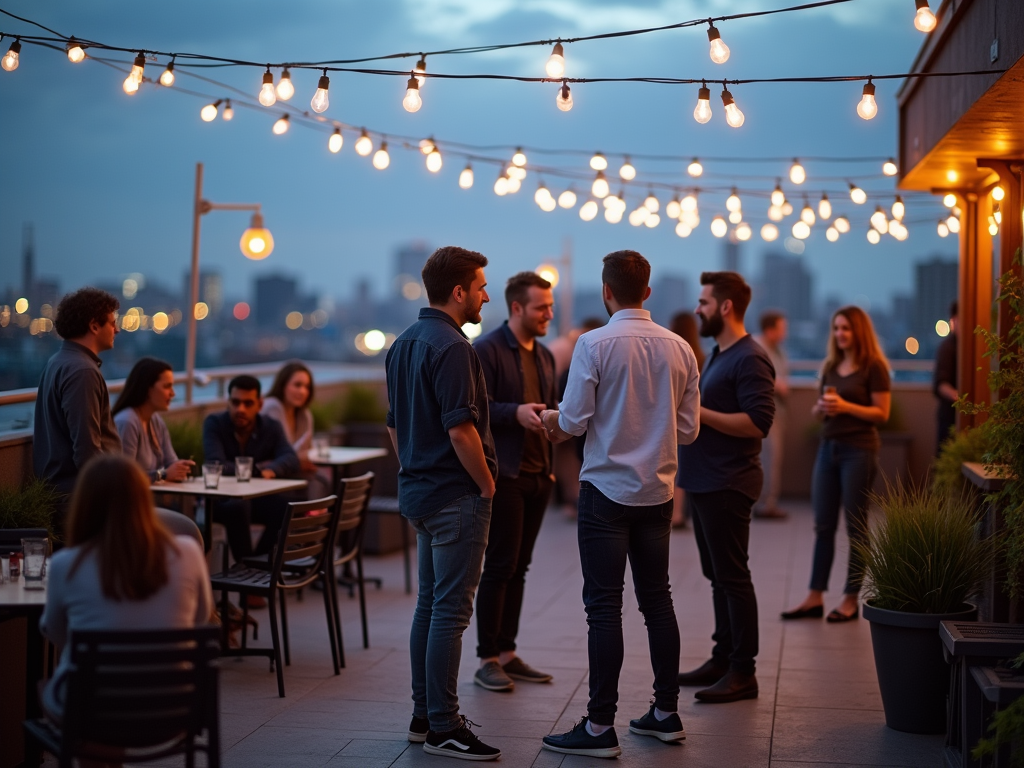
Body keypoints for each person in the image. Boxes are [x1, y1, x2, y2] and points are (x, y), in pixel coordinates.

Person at [539, 250, 701, 758]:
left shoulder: (592, 344)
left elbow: (573, 422)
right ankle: (666, 713)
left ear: (606, 291)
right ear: (647, 292)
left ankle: (598, 727)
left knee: (604, 608)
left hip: (605, 492)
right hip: (658, 493)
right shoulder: (681, 349)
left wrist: (550, 422)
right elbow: (689, 430)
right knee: (658, 602)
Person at [385, 246, 501, 761]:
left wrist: (414, 465)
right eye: (480, 287)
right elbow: (461, 430)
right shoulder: (454, 347)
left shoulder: (403, 342)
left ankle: (422, 715)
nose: (485, 295)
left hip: (420, 493)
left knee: (429, 608)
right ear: (458, 292)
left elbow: (394, 426)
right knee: (450, 614)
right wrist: (487, 485)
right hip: (456, 496)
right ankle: (444, 725)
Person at [39, 455, 213, 722]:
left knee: (70, 691)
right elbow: (200, 620)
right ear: (143, 500)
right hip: (172, 703)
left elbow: (57, 632)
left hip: (95, 705)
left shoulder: (65, 565)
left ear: (85, 504)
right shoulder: (188, 552)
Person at [677, 271, 775, 704]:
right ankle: (722, 658)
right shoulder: (721, 352)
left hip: (728, 481)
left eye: (704, 302)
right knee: (716, 575)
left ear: (726, 307)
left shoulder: (750, 357)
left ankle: (743, 672)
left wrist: (701, 412)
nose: (698, 309)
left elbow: (759, 423)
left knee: (733, 577)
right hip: (705, 480)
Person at [472, 272, 557, 693]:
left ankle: (507, 652)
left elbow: (551, 408)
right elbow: (474, 409)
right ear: (517, 308)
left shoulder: (544, 356)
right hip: (504, 474)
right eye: (542, 306)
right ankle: (487, 657)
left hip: (539, 475)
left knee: (519, 568)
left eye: (550, 305)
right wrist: (515, 413)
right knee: (500, 566)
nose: (549, 313)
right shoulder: (485, 350)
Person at [782, 306, 890, 623]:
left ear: (859, 331)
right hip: (828, 449)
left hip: (859, 450)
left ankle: (849, 598)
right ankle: (815, 596)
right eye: (836, 328)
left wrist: (845, 405)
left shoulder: (874, 367)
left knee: (856, 527)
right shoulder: (830, 366)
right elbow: (820, 413)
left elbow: (881, 414)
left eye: (846, 328)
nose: (840, 334)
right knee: (822, 526)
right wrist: (820, 409)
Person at [33, 288, 122, 506]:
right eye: (112, 323)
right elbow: (87, 451)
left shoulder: (58, 361)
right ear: (94, 325)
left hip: (66, 494)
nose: (117, 330)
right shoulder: (82, 371)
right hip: (83, 500)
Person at [202, 375, 300, 561]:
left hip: (254, 499)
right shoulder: (215, 423)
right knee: (238, 506)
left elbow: (290, 458)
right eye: (235, 402)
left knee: (288, 509)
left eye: (248, 403)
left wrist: (270, 469)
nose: (241, 409)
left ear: (260, 404)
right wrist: (257, 470)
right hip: (222, 501)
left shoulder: (270, 427)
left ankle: (255, 568)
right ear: (228, 402)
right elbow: (216, 464)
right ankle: (248, 573)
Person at [113, 357, 195, 482]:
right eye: (167, 386)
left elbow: (171, 462)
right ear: (148, 388)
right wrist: (162, 474)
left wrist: (180, 468)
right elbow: (124, 476)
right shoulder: (127, 422)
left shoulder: (156, 421)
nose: (173, 393)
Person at [262, 361, 330, 498]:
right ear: (283, 385)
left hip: (290, 471)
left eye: (307, 387)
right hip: (269, 474)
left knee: (323, 479)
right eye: (297, 385)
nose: (303, 391)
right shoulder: (273, 407)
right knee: (317, 482)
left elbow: (307, 451)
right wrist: (297, 460)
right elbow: (282, 455)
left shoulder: (304, 414)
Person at [753, 311, 790, 519]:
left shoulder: (778, 352)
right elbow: (758, 377)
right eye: (782, 328)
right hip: (765, 413)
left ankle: (768, 502)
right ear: (770, 329)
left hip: (777, 412)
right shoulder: (758, 349)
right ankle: (765, 504)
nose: (785, 333)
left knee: (772, 459)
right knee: (767, 458)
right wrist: (777, 386)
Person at [669, 311, 705, 528]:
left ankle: (674, 513)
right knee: (683, 467)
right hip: (693, 421)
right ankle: (680, 515)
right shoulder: (700, 358)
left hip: (668, 419)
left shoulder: (670, 354)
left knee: (671, 468)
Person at [933, 300, 958, 452]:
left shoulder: (974, 345)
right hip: (950, 417)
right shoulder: (947, 347)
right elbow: (940, 383)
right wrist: (961, 399)